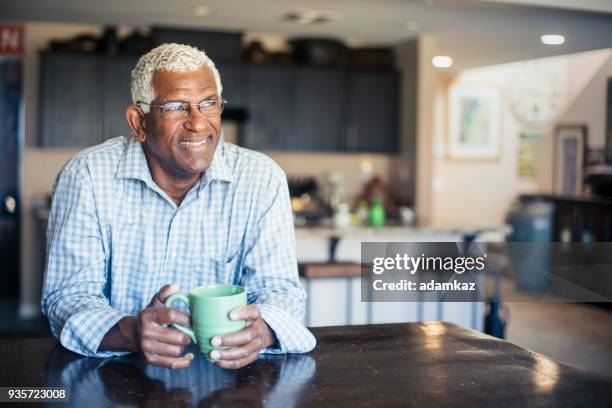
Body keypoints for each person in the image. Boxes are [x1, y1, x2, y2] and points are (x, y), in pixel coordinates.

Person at [41, 43, 316, 369]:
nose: (198, 123)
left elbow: (280, 291)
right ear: (139, 123)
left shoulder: (261, 178)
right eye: (176, 106)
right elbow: (67, 297)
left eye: (209, 104)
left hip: (228, 382)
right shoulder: (86, 176)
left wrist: (265, 330)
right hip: (115, 379)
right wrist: (130, 332)